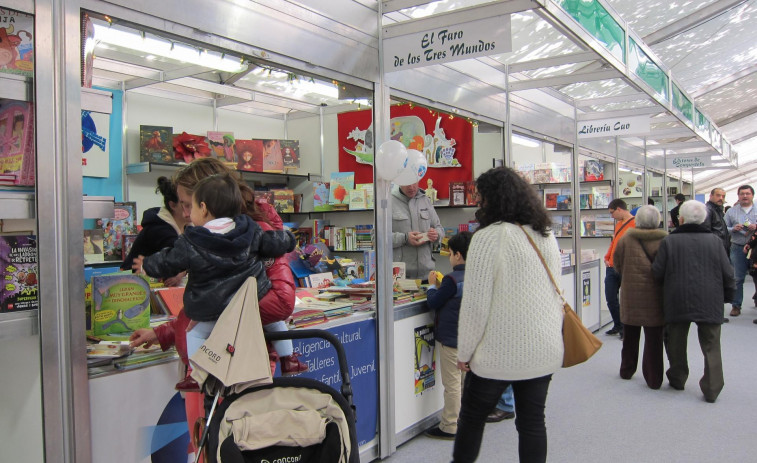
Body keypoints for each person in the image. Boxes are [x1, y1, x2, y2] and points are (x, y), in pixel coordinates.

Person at [134, 173, 296, 390]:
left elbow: (168, 260)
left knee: (196, 332)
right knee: (277, 325)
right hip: (253, 296)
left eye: (189, 206)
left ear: (203, 208)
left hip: (213, 309)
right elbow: (272, 242)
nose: (187, 214)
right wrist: (288, 239)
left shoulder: (192, 241)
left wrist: (147, 265)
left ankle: (194, 374)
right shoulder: (250, 230)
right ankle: (290, 359)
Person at [453, 167, 563, 463]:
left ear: (492, 199)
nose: (478, 202)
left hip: (499, 352)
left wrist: (464, 351)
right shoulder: (546, 234)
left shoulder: (489, 237)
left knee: (472, 417)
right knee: (532, 422)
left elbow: (476, 305)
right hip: (544, 346)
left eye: (481, 197)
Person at [652, 200, 735, 403]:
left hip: (677, 298)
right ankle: (712, 388)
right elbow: (728, 273)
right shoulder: (715, 241)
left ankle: (678, 378)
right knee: (711, 344)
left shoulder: (669, 241)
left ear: (680, 219)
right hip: (710, 299)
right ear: (705, 219)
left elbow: (657, 272)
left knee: (675, 341)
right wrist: (729, 298)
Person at [612, 205, 667, 389]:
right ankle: (654, 378)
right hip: (656, 295)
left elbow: (617, 264)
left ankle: (626, 370)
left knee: (630, 336)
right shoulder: (665, 239)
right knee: (654, 339)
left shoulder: (626, 238)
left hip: (631, 294)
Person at [424, 231, 472, 440]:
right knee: (463, 384)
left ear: (458, 255)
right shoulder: (477, 276)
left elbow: (433, 302)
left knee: (452, 385)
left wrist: (431, 286)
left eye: (450, 253)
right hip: (468, 341)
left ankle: (450, 425)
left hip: (451, 341)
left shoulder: (451, 280)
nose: (449, 257)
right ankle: (463, 420)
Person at [121, 176, 188, 275]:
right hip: (134, 282)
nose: (191, 209)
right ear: (172, 205)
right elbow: (176, 261)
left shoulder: (187, 226)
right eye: (186, 205)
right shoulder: (160, 230)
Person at [391, 181, 444, 280]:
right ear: (400, 181)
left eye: (414, 183)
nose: (411, 187)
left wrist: (436, 235)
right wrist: (405, 238)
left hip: (427, 275)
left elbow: (439, 228)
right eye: (407, 183)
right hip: (400, 277)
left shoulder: (425, 200)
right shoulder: (389, 201)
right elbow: (376, 237)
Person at [604, 199, 636, 338]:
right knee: (611, 297)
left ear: (619, 209)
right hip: (611, 266)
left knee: (626, 299)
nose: (612, 216)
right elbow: (614, 241)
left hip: (625, 266)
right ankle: (618, 324)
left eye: (612, 213)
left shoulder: (635, 224)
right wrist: (607, 256)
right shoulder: (618, 225)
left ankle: (625, 328)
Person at [724, 185, 757, 316]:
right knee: (738, 278)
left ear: (752, 195)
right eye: (742, 194)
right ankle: (736, 305)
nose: (745, 196)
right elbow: (723, 227)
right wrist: (733, 229)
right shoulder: (731, 211)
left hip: (756, 249)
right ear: (738, 196)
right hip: (737, 247)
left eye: (747, 193)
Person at [704, 188, 729, 255]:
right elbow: (706, 231)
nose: (721, 198)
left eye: (723, 196)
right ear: (711, 196)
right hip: (714, 249)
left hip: (720, 247)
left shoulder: (718, 210)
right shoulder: (708, 210)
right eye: (718, 195)